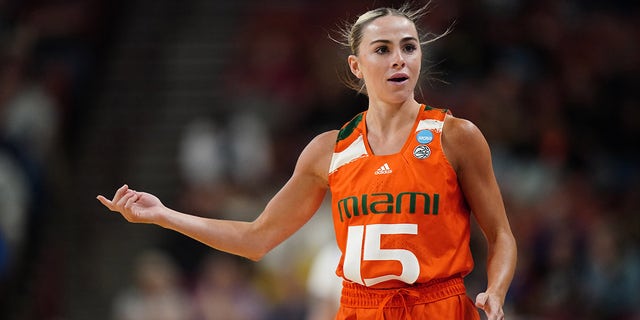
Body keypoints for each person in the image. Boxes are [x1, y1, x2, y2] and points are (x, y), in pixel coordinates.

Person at [97, 3, 517, 319]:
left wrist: (495, 291)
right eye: (382, 49)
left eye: (408, 47)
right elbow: (256, 238)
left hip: (438, 308)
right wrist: (165, 214)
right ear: (356, 66)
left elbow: (500, 235)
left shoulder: (456, 136)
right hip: (358, 309)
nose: (398, 59)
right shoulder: (327, 151)